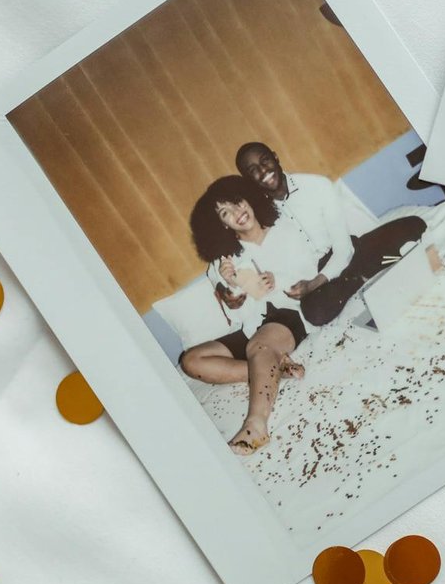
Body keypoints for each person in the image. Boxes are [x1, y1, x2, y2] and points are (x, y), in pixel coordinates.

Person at [178, 175, 321, 456]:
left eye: (236, 202)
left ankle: (256, 426)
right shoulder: (221, 262)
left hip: (289, 314)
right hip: (253, 325)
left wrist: (278, 280)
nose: (236, 212)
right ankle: (274, 369)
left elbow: (311, 273)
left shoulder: (285, 229)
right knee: (191, 361)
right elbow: (238, 315)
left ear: (248, 199)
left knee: (260, 346)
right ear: (222, 224)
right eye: (225, 213)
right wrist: (232, 290)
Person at [219, 141, 427, 326]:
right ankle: (360, 276)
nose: (263, 170)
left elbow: (344, 249)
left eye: (265, 160)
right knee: (314, 314)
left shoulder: (316, 185)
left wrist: (314, 284)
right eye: (253, 170)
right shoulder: (258, 215)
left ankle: (356, 276)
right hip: (313, 273)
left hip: (347, 253)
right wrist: (234, 285)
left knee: (414, 224)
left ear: (275, 157)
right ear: (248, 179)